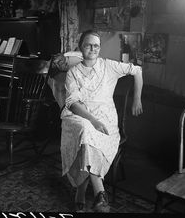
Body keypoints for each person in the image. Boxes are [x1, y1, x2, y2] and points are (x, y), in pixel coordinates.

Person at [60, 30, 143, 213]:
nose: (93, 48)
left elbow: (137, 70)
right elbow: (73, 104)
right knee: (85, 128)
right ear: (81, 47)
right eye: (88, 44)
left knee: (87, 137)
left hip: (106, 118)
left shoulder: (108, 66)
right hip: (79, 116)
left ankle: (81, 192)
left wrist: (137, 98)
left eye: (96, 45)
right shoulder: (73, 72)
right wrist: (93, 121)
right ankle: (100, 193)